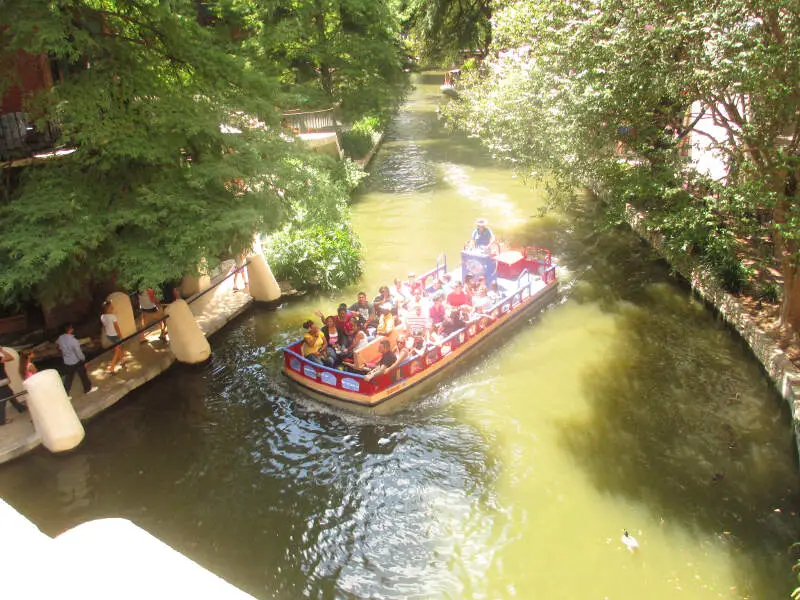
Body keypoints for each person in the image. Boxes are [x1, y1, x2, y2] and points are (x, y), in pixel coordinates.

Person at [56, 324, 97, 395]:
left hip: (67, 362)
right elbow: (79, 353)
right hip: (76, 362)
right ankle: (88, 389)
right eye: (72, 328)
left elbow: (58, 347)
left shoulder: (60, 338)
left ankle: (65, 394)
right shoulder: (73, 341)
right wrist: (84, 360)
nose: (73, 329)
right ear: (70, 330)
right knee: (83, 376)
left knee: (68, 379)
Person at [0, 347, 27, 425]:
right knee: (3, 401)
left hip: (2, 381)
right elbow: (10, 357)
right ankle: (1, 420)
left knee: (10, 394)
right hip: (2, 381)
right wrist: (2, 351)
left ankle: (20, 408)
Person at [101, 300, 126, 374]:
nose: (113, 307)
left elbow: (104, 326)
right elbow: (116, 327)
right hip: (115, 336)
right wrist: (120, 335)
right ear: (108, 308)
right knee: (117, 350)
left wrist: (107, 333)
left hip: (109, 335)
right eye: (111, 306)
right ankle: (112, 367)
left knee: (118, 348)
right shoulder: (113, 316)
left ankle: (122, 360)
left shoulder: (102, 316)